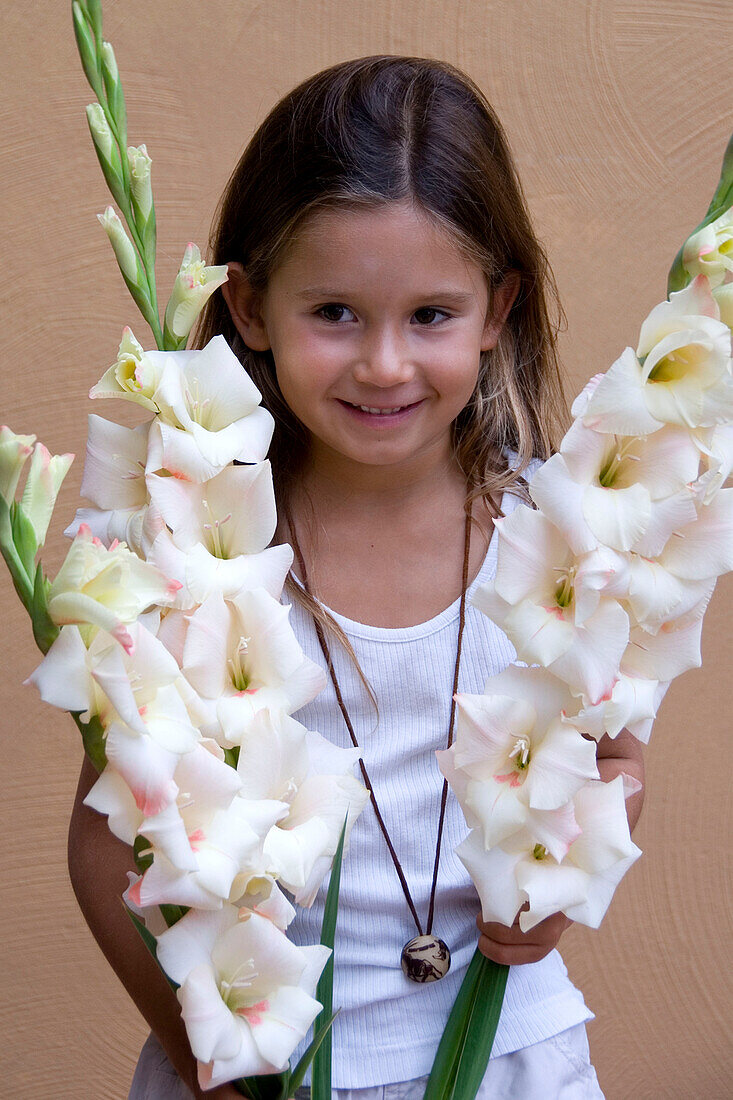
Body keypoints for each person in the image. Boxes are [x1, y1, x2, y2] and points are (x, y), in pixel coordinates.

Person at [68, 55, 645, 1099]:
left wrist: (569, 866)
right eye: (334, 311)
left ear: (497, 306)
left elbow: (613, 751)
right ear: (246, 307)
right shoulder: (189, 539)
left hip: (510, 1056)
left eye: (431, 314)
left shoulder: (552, 534)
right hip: (263, 1076)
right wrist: (219, 1062)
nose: (384, 363)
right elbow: (110, 844)